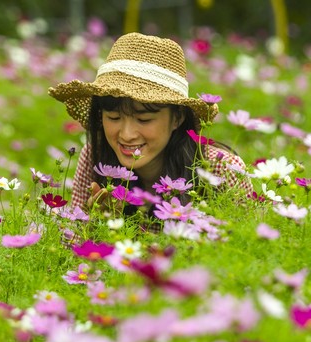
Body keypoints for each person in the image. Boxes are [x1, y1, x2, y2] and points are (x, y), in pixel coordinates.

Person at [49, 32, 253, 215]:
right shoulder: (94, 156)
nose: (127, 135)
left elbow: (246, 250)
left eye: (143, 119)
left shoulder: (221, 169)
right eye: (113, 117)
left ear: (178, 117)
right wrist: (95, 223)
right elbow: (72, 248)